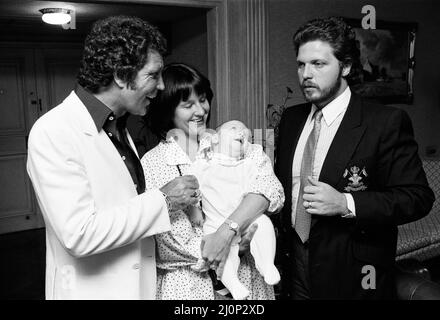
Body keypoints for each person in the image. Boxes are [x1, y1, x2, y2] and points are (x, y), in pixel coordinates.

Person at [26, 16, 201, 300]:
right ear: (121, 75)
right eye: (153, 75)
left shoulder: (118, 126)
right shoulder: (53, 131)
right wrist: (164, 200)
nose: (159, 87)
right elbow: (79, 234)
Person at [274, 17, 435, 299]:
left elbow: (417, 198)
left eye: (318, 64)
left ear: (346, 66)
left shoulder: (384, 123)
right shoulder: (291, 119)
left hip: (354, 274)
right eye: (301, 64)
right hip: (293, 267)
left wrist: (345, 202)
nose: (306, 74)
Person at [140, 63, 284, 299]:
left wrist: (229, 234)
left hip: (249, 274)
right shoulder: (155, 162)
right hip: (188, 286)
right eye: (188, 105)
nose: (200, 111)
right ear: (168, 110)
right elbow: (170, 239)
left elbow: (271, 190)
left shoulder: (232, 140)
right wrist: (228, 245)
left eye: (203, 100)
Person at [189, 120, 281, 300]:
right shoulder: (203, 164)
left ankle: (267, 263)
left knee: (264, 224)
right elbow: (193, 187)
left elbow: (263, 189)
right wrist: (194, 209)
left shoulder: (249, 165)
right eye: (234, 129)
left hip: (245, 221)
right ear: (214, 139)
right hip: (215, 223)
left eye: (247, 135)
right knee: (223, 256)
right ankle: (234, 285)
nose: (242, 134)